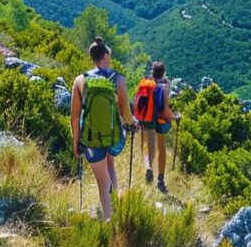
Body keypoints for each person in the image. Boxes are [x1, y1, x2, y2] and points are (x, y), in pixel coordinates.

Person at [70, 38, 134, 221]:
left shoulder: (80, 80)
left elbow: (74, 117)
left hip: (91, 140)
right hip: (114, 138)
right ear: (106, 55)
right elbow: (127, 115)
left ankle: (110, 220)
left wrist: (77, 142)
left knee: (102, 184)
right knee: (111, 165)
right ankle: (114, 213)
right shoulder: (118, 79)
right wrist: (131, 123)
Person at [137, 61, 176, 193]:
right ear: (163, 73)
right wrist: (174, 117)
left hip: (146, 119)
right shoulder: (163, 86)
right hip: (159, 120)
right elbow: (165, 109)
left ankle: (148, 167)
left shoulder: (146, 83)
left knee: (148, 146)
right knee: (161, 146)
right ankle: (160, 179)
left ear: (152, 72)